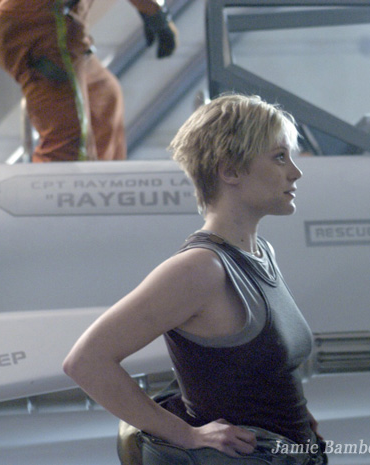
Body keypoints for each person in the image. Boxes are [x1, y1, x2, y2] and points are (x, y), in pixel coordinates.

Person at [63, 93, 326, 464]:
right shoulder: (201, 269)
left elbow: (258, 375)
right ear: (230, 171)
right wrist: (185, 434)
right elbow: (86, 361)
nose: (295, 172)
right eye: (279, 157)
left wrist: (298, 419)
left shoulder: (260, 253)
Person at [0, 0, 177, 162]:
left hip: (48, 19)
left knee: (103, 98)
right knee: (69, 143)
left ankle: (103, 185)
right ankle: (59, 193)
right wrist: (156, 13)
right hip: (41, 23)